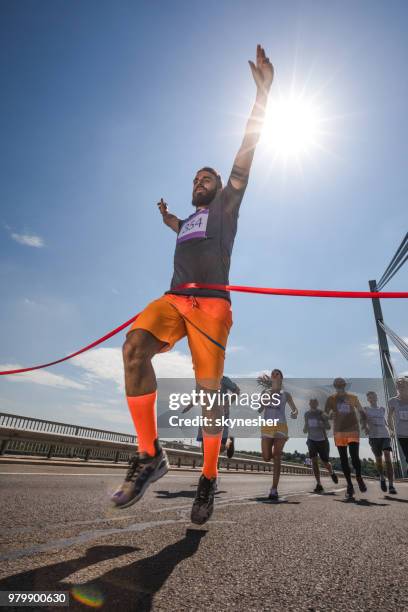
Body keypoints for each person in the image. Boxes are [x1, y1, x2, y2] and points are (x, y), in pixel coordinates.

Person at [111, 45, 274, 525]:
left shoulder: (226, 206)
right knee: (133, 349)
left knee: (208, 398)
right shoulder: (188, 220)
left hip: (211, 309)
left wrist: (262, 94)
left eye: (208, 177)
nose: (201, 181)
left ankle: (207, 478)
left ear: (221, 185)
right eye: (196, 178)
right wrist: (167, 218)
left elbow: (245, 155)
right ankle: (149, 455)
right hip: (173, 300)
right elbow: (182, 227)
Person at [258, 369, 298, 502]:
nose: (274, 374)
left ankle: (274, 489)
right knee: (266, 457)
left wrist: (295, 413)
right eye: (273, 373)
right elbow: (260, 408)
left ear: (281, 378)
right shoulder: (265, 392)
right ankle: (274, 453)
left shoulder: (286, 394)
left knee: (277, 457)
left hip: (281, 427)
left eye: (277, 373)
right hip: (267, 426)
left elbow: (294, 409)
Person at [325, 377, 368, 500]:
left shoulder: (353, 397)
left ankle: (359, 477)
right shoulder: (331, 399)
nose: (339, 386)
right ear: (334, 386)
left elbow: (361, 410)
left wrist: (364, 421)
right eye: (337, 384)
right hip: (339, 431)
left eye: (341, 384)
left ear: (345, 385)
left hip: (353, 430)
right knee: (343, 459)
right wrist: (329, 415)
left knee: (354, 457)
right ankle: (350, 485)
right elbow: (325, 413)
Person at [194, 376, 240, 458]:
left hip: (221, 413)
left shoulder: (223, 379)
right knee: (204, 443)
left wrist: (227, 404)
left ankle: (229, 441)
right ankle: (207, 467)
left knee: (220, 447)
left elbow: (237, 390)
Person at [363, 391, 396, 494]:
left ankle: (391, 485)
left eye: (373, 396)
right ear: (368, 400)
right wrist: (366, 428)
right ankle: (382, 476)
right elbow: (363, 421)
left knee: (387, 456)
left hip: (384, 435)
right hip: (373, 437)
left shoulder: (382, 409)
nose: (372, 398)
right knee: (378, 459)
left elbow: (385, 421)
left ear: (376, 397)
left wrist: (391, 430)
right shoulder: (366, 409)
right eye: (370, 397)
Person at [303, 398, 338, 493]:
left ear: (317, 403)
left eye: (315, 402)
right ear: (309, 403)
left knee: (325, 462)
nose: (313, 404)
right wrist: (306, 427)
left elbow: (328, 426)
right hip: (311, 440)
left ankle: (331, 472)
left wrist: (321, 424)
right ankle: (319, 484)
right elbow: (305, 429)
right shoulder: (306, 414)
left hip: (322, 440)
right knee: (314, 462)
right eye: (311, 402)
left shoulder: (322, 413)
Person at [389, 375, 408, 475]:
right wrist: (391, 430)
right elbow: (389, 416)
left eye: (403, 383)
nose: (401, 385)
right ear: (396, 387)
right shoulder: (392, 401)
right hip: (402, 434)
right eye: (398, 384)